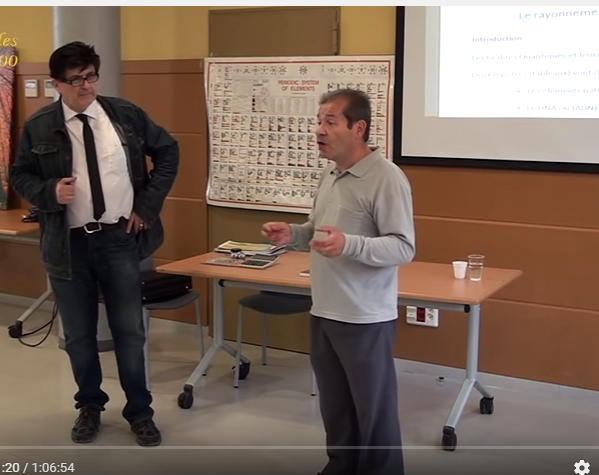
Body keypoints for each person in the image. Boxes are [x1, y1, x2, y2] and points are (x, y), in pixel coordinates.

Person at [9, 41, 179, 447]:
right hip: (68, 245)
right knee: (80, 336)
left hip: (119, 240)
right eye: (76, 80)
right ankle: (89, 405)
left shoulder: (124, 116)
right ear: (56, 84)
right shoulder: (40, 125)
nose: (86, 86)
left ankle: (140, 412)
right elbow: (19, 175)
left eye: (91, 77)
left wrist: (147, 206)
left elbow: (168, 151)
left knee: (129, 332)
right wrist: (50, 191)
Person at [262, 88, 415, 475]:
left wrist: (350, 244)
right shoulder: (330, 175)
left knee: (374, 415)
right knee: (336, 410)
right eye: (318, 121)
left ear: (358, 128)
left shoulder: (386, 178)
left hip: (364, 317)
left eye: (330, 122)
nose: (319, 130)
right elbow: (318, 231)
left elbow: (402, 247)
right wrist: (293, 235)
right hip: (324, 310)